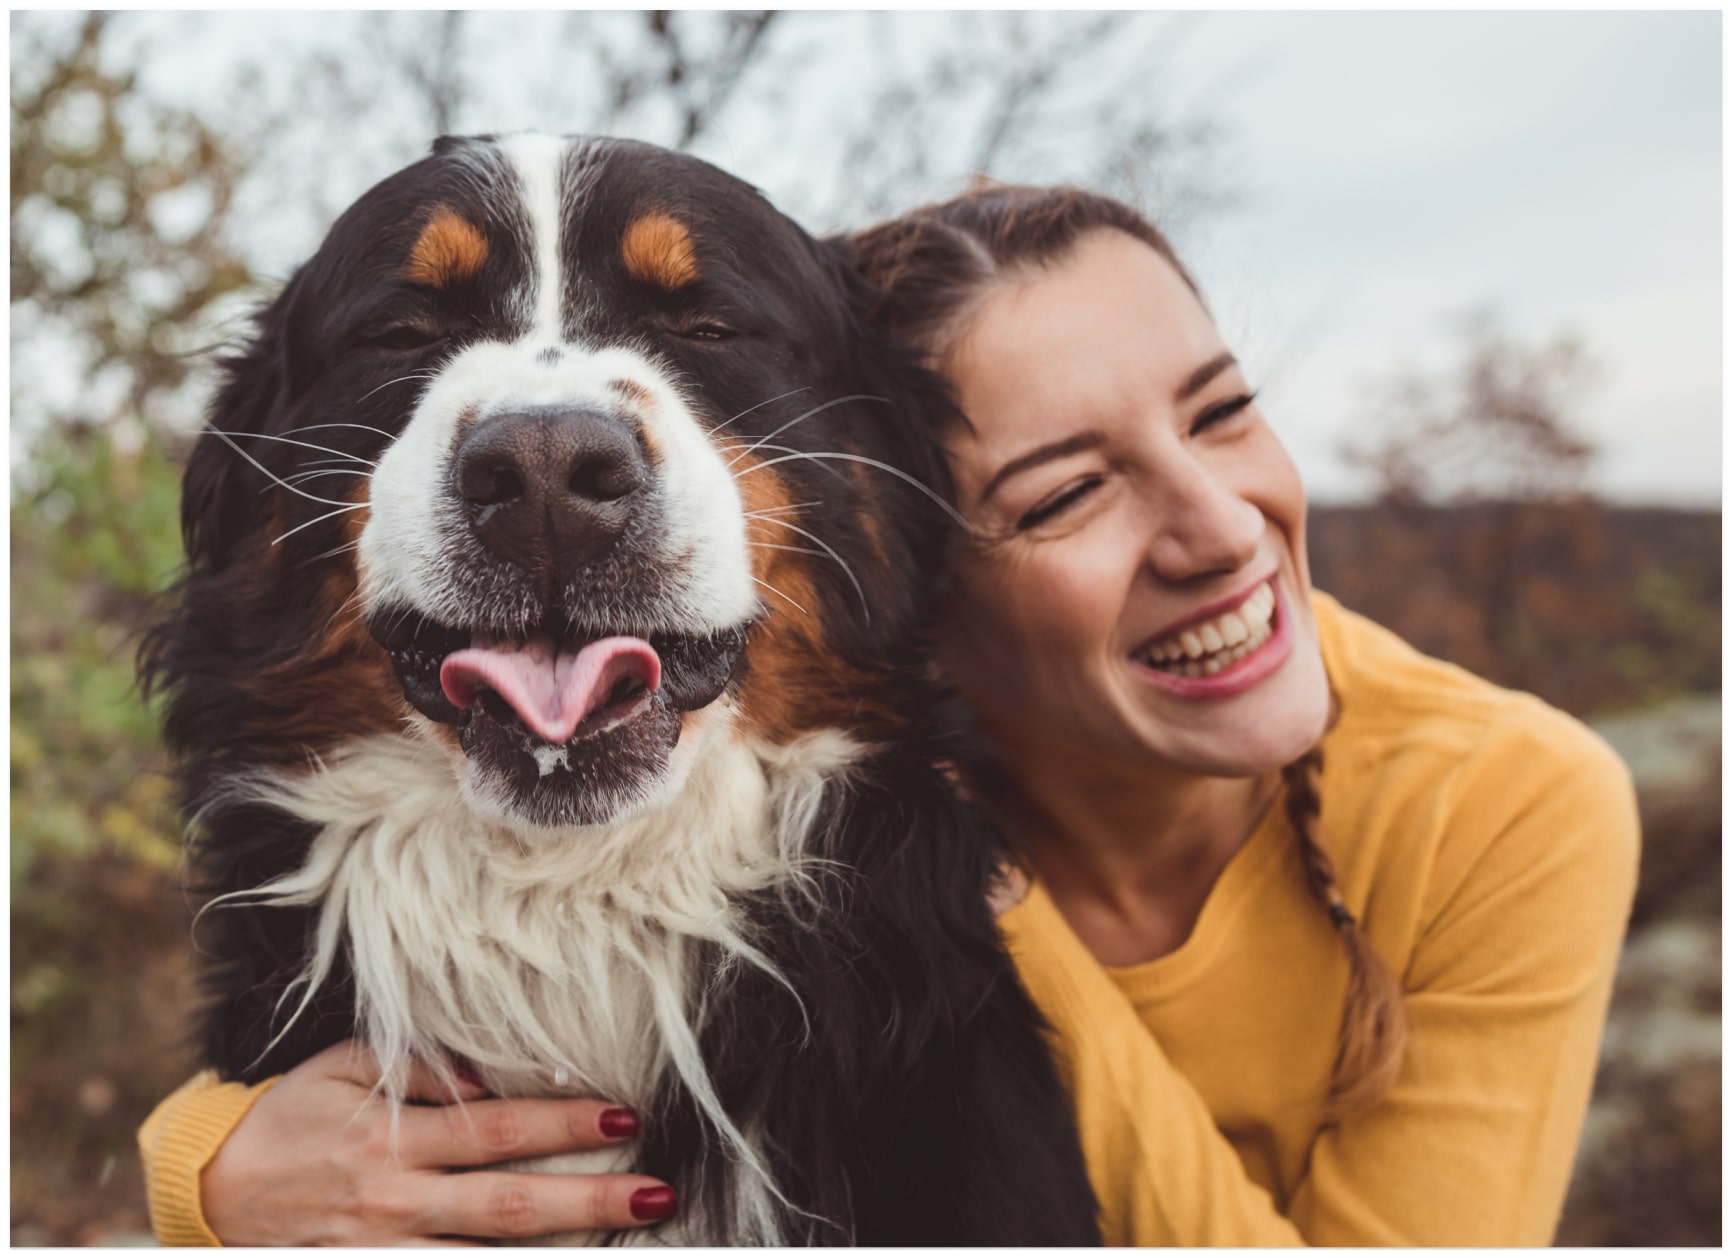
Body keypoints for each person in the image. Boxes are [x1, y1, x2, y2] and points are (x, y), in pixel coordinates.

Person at [138, 184, 1638, 1245]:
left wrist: (963, 848)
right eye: (1064, 493)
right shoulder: (921, 723)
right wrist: (206, 1165)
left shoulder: (1499, 796)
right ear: (939, 572)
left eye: (1223, 408)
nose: (1221, 530)